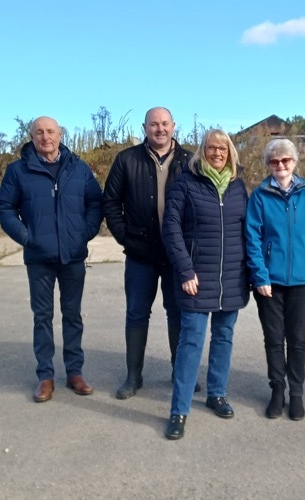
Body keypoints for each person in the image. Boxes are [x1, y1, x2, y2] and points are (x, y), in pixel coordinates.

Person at [0, 116, 103, 402]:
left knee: (73, 316)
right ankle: (45, 376)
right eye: (39, 132)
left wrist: (85, 232)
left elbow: (95, 202)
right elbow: (5, 207)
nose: (46, 137)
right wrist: (26, 237)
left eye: (51, 132)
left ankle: (74, 373)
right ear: (32, 137)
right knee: (42, 317)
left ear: (60, 134)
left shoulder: (78, 168)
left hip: (73, 255)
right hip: (39, 257)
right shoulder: (18, 171)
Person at [161, 129, 249, 440]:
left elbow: (248, 230)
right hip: (196, 278)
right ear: (202, 150)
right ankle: (179, 410)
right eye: (211, 148)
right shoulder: (185, 183)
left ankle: (217, 393)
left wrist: (249, 272)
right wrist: (185, 270)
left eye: (222, 148)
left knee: (224, 337)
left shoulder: (239, 186)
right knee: (191, 342)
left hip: (232, 278)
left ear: (230, 152)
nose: (217, 153)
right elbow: (170, 229)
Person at [103, 107, 195, 400]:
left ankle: (180, 371)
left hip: (176, 254)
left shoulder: (190, 161)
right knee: (136, 313)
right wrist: (126, 239)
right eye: (154, 124)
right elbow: (110, 203)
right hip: (140, 253)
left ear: (173, 126)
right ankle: (133, 376)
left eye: (165, 124)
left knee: (177, 313)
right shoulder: (126, 160)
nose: (160, 129)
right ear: (145, 127)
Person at [245, 138, 305, 421]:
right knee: (273, 338)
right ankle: (277, 389)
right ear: (268, 164)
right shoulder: (259, 196)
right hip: (269, 281)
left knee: (297, 338)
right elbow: (252, 239)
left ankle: (296, 393)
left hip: (301, 280)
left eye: (285, 161)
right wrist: (260, 275)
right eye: (274, 161)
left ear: (294, 162)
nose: (280, 165)